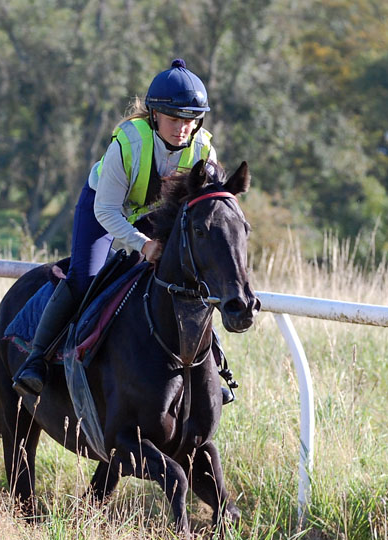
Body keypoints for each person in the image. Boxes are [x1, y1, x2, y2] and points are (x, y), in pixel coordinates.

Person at [13, 58, 234, 400]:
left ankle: (210, 367)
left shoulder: (203, 149)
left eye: (190, 120)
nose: (183, 128)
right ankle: (37, 359)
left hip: (157, 215)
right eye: (174, 119)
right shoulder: (129, 143)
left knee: (187, 279)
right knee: (85, 277)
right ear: (154, 115)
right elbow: (107, 210)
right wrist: (142, 244)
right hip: (103, 208)